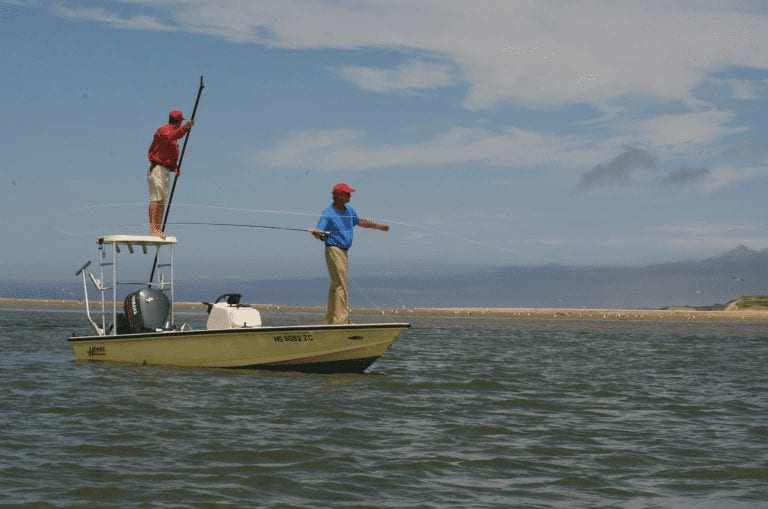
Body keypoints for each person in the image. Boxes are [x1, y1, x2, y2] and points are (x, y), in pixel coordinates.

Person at [310, 183, 389, 324]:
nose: (350, 196)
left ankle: (330, 320)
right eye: (347, 194)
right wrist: (317, 234)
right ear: (339, 196)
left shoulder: (349, 210)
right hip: (334, 249)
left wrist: (378, 227)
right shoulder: (328, 212)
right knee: (341, 285)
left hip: (343, 251)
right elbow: (320, 232)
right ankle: (340, 320)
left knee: (336, 285)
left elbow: (360, 222)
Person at [146, 109, 195, 238]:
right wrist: (186, 127)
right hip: (157, 169)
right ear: (179, 121)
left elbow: (170, 154)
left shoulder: (173, 137)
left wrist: (175, 167)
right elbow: (171, 136)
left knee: (162, 200)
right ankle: (153, 229)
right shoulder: (164, 131)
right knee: (156, 198)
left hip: (165, 170)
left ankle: (158, 228)